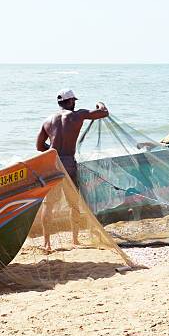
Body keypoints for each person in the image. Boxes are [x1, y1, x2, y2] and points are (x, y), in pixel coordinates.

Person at [36, 89, 109, 251]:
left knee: (48, 204)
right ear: (69, 102)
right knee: (73, 202)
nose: (75, 103)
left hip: (52, 163)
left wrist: (53, 151)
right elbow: (104, 113)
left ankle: (46, 243)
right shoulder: (78, 115)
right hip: (69, 163)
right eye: (73, 101)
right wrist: (100, 103)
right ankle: (75, 239)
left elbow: (39, 146)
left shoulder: (47, 121)